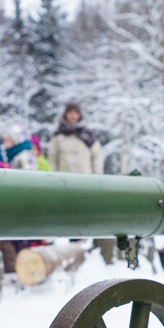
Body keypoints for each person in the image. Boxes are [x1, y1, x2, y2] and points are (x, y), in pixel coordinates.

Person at [49, 102, 111, 261]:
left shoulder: (87, 135)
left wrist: (98, 177)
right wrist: (55, 178)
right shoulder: (59, 136)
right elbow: (53, 159)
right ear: (65, 115)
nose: (73, 116)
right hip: (66, 181)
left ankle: (90, 248)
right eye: (70, 113)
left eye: (75, 113)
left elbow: (96, 157)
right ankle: (74, 249)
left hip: (86, 180)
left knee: (87, 213)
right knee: (71, 215)